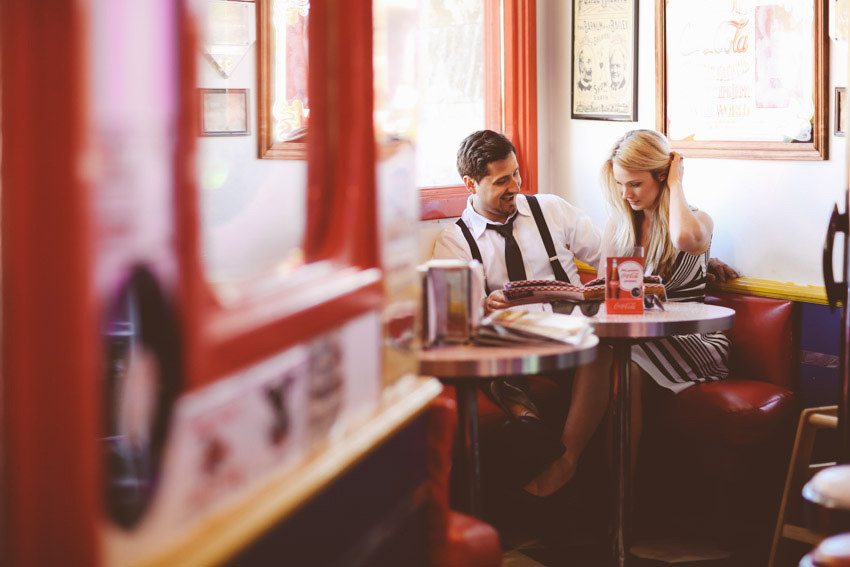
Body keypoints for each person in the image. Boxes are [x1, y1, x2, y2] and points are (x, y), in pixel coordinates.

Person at [433, 130, 612, 498]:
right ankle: (527, 423)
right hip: (514, 349)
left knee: (602, 348)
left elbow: (611, 256)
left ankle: (564, 459)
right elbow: (455, 314)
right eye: (502, 180)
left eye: (516, 173)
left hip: (572, 339)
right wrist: (483, 304)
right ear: (470, 183)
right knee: (490, 355)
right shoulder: (455, 240)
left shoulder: (551, 209)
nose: (515, 185)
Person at [598, 128, 733, 474]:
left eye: (635, 184)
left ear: (662, 175)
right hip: (639, 339)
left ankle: (620, 488)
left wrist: (676, 182)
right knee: (600, 357)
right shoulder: (619, 226)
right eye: (620, 184)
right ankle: (583, 474)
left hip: (693, 338)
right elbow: (606, 297)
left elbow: (685, 238)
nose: (626, 193)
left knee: (624, 367)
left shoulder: (697, 220)